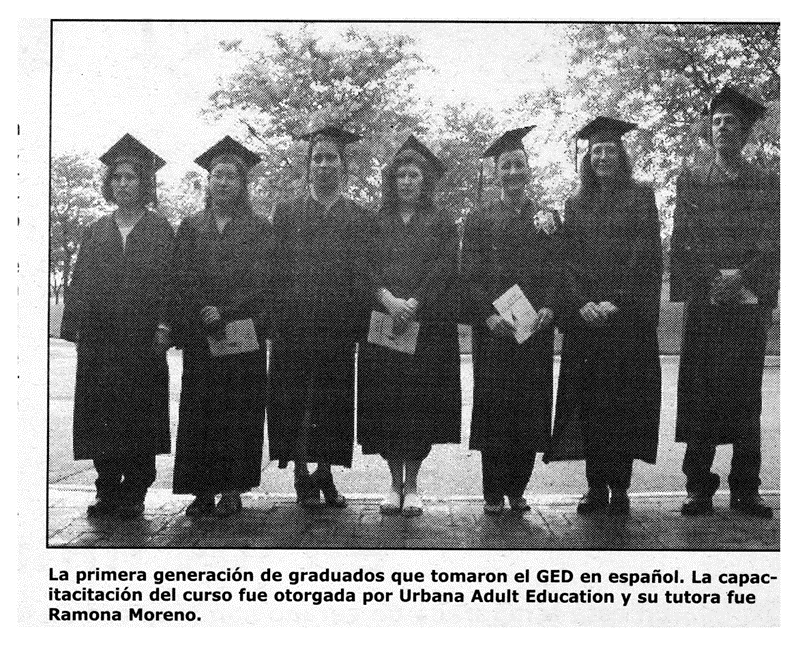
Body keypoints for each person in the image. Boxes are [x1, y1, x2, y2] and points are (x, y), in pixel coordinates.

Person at [671, 86, 779, 518]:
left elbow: (775, 238)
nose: (723, 128)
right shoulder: (693, 181)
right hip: (707, 303)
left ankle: (745, 487)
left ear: (746, 131)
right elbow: (684, 241)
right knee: (701, 393)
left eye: (732, 122)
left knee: (745, 395)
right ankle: (698, 486)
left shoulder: (768, 182)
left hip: (749, 304)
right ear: (708, 131)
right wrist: (713, 277)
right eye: (717, 122)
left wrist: (745, 277)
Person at [546, 117, 663, 516]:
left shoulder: (641, 197)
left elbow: (645, 258)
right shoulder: (575, 204)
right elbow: (566, 262)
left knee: (624, 404)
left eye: (610, 149)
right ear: (587, 158)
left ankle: (621, 488)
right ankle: (596, 487)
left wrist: (616, 301)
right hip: (587, 324)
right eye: (596, 150)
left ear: (621, 155)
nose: (602, 156)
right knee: (592, 405)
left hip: (626, 322)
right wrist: (581, 304)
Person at [60, 134, 173, 519]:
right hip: (101, 341)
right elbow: (80, 282)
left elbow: (173, 283)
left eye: (131, 177)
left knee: (138, 412)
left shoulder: (161, 230)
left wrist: (164, 326)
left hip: (142, 341)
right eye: (117, 177)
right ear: (109, 183)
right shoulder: (96, 230)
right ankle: (107, 488)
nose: (123, 183)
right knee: (101, 413)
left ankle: (135, 489)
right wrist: (75, 329)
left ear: (145, 183)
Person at [357, 135, 461, 516]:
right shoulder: (376, 220)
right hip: (385, 325)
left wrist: (415, 302)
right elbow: (363, 266)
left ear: (424, 180)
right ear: (392, 180)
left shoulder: (441, 221)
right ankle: (393, 483)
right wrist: (388, 299)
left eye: (414, 175)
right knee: (388, 405)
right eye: (400, 175)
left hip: (425, 327)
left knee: (418, 406)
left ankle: (413, 484)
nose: (407, 181)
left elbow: (445, 266)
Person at [268, 125, 370, 508]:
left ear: (343, 165)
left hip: (338, 327)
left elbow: (362, 275)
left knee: (333, 401)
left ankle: (325, 473)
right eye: (318, 158)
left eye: (332, 158)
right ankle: (299, 474)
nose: (324, 165)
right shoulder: (287, 212)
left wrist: (358, 325)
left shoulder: (357, 217)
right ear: (308, 165)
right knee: (295, 400)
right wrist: (276, 323)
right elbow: (275, 271)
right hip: (294, 326)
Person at [462, 126, 559, 515]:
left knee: (529, 409)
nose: (513, 172)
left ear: (528, 170)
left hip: (533, 330)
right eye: (506, 166)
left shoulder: (546, 218)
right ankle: (492, 492)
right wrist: (486, 316)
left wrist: (551, 307)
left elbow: (557, 269)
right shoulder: (479, 219)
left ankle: (518, 489)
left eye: (519, 165)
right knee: (495, 408)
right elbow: (468, 275)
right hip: (496, 332)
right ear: (497, 173)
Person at [171, 136, 271, 517]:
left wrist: (227, 311)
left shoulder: (259, 228)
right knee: (201, 411)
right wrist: (202, 311)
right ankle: (202, 490)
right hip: (202, 332)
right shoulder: (191, 226)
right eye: (217, 175)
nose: (223, 181)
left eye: (231, 176)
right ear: (207, 181)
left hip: (243, 331)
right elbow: (180, 277)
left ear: (243, 184)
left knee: (239, 410)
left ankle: (232, 487)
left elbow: (265, 282)